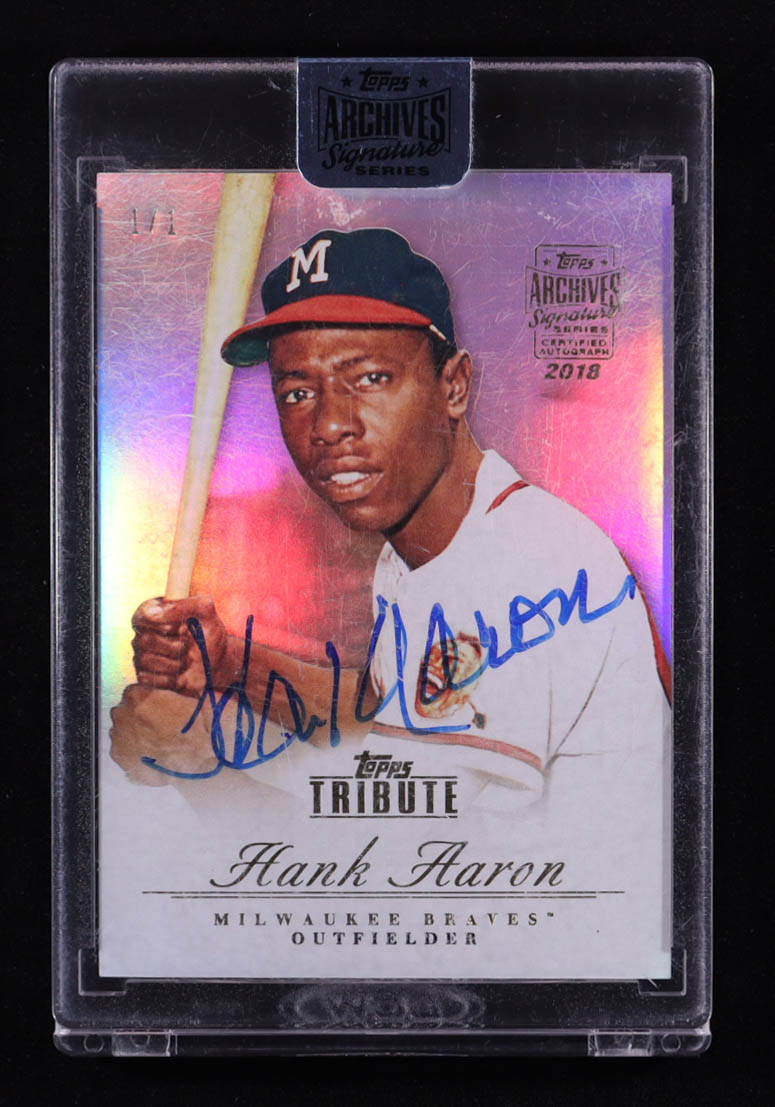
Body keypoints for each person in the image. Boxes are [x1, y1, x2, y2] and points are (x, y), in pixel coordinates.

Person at [117, 227, 670, 816]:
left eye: (371, 378)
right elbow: (387, 715)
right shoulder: (432, 539)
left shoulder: (526, 563)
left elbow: (410, 860)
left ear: (454, 386)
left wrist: (196, 763)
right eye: (298, 393)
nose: (330, 425)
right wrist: (234, 665)